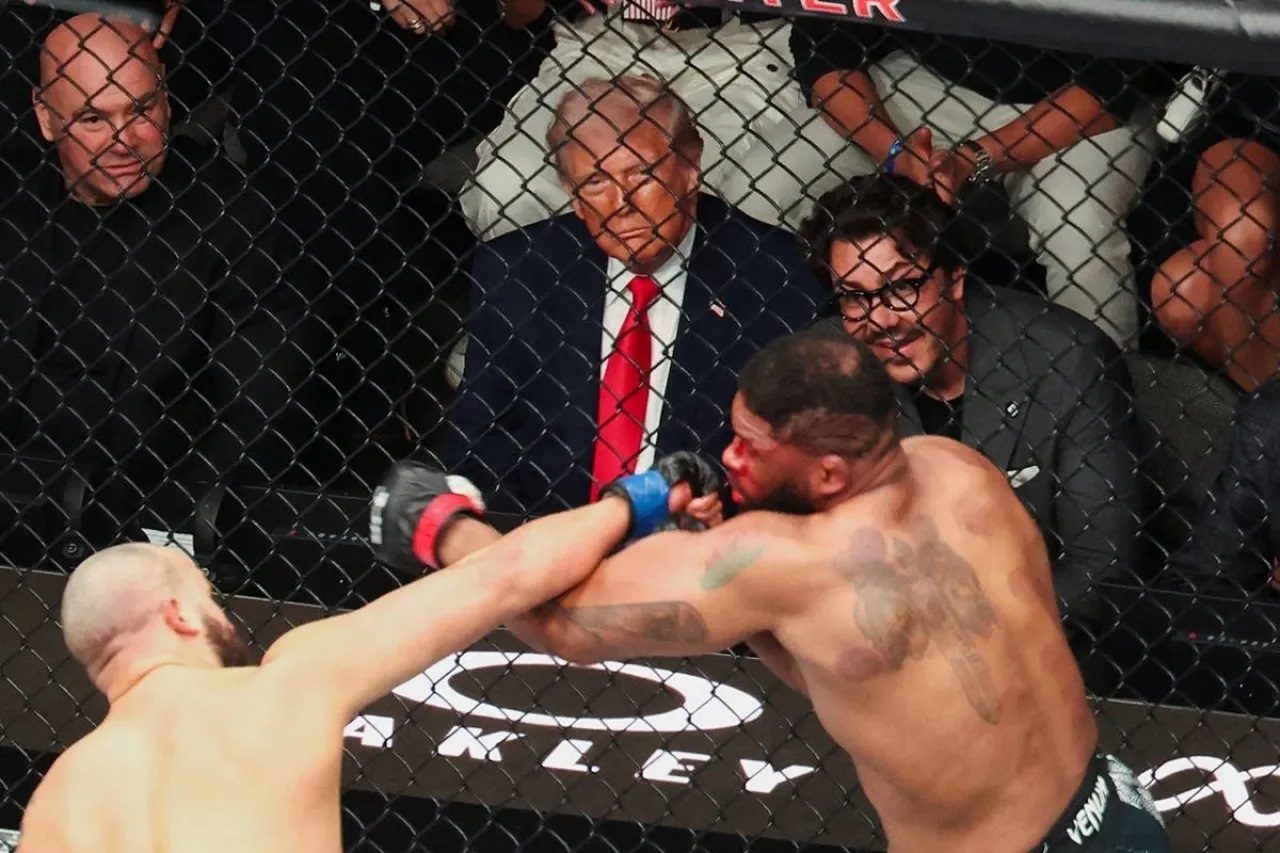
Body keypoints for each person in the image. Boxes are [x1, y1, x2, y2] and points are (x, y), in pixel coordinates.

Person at [375, 327, 1171, 852]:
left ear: (829, 473)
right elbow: (865, 667)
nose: (731, 456)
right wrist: (731, 573)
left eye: (753, 445)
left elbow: (561, 622)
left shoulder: (778, 560)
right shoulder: (962, 469)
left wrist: (440, 526)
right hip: (1114, 815)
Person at [17, 469, 679, 852]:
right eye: (209, 597)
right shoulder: (283, 685)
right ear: (179, 615)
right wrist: (646, 494)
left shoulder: (58, 799)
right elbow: (504, 575)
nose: (224, 613)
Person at [0, 16, 316, 564]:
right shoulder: (13, 205)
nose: (123, 141)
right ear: (46, 118)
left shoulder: (233, 215)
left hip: (155, 517)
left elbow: (262, 406)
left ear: (166, 98)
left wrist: (167, 529)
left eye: (141, 110)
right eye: (93, 118)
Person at [445, 75, 825, 516]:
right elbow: (476, 446)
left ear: (690, 166)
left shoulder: (779, 277)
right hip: (551, 535)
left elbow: (791, 468)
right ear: (571, 194)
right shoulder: (518, 271)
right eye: (595, 182)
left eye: (641, 174)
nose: (621, 202)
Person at [797, 174, 1143, 638]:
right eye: (855, 296)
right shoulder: (823, 366)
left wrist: (955, 641)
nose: (880, 319)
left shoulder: (1068, 359)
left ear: (955, 279)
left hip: (1036, 646)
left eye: (902, 288)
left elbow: (1102, 569)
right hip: (878, 643)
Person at [789, 18, 1168, 346]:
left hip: (1076, 104)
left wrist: (972, 159)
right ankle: (796, 378)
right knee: (777, 182)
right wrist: (895, 152)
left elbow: (1111, 85)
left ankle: (1098, 394)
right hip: (932, 76)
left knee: (1077, 223)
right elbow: (822, 45)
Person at [455, 0, 874, 239]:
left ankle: (677, 351)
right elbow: (519, 13)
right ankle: (520, 335)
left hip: (739, 50)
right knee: (508, 185)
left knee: (695, 200)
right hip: (600, 43)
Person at [1146, 73, 1280, 392]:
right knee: (1241, 233)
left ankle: (1259, 405)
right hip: (1256, 123)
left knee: (1186, 290)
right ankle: (1261, 408)